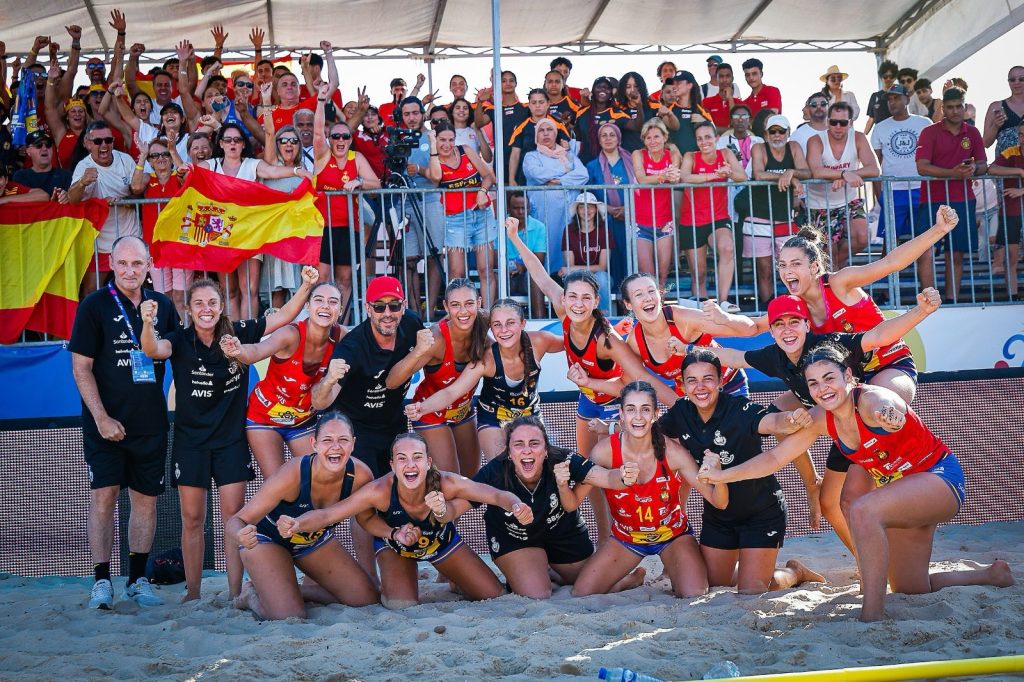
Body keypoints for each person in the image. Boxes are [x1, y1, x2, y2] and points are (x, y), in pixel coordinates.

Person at [698, 342, 1015, 622]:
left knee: (861, 509)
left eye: (829, 378)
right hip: (902, 497)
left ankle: (871, 617)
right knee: (911, 588)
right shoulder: (822, 418)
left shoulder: (870, 400)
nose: (822, 388)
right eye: (813, 383)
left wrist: (889, 415)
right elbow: (773, 459)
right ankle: (990, 575)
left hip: (939, 480)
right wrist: (723, 475)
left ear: (849, 376)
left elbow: (885, 406)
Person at [696, 289, 944, 554]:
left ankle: (890, 554)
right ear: (771, 331)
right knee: (830, 504)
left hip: (862, 422)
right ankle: (866, 561)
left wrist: (921, 311)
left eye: (794, 322)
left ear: (806, 324)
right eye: (779, 324)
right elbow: (733, 358)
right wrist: (687, 350)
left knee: (857, 500)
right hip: (837, 426)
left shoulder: (830, 344)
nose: (787, 329)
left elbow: (879, 336)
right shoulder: (776, 356)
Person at [140, 273, 316, 602]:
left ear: (222, 307)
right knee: (192, 519)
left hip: (230, 442)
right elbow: (154, 348)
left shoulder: (238, 333)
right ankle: (193, 594)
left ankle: (235, 593)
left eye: (212, 302)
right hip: (191, 442)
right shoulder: (179, 340)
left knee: (233, 517)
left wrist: (306, 286)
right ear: (189, 310)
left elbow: (284, 316)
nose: (206, 309)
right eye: (198, 304)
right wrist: (147, 323)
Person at [279, 432, 534, 608]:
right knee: (401, 606)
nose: (410, 465)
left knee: (494, 595)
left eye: (417, 458)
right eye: (402, 459)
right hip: (395, 547)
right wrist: (298, 524)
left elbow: (495, 494)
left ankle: (457, 580)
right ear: (392, 464)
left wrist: (516, 505)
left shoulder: (447, 482)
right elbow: (328, 515)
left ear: (428, 462)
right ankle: (295, 591)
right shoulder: (379, 490)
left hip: (439, 543)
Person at [68, 236, 180, 610]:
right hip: (105, 425)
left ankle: (137, 578)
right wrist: (100, 417)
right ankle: (101, 581)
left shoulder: (162, 306)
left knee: (145, 503)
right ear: (111, 264)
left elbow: (176, 355)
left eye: (137, 263)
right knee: (103, 497)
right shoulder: (94, 305)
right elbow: (80, 367)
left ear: (149, 264)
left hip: (150, 425)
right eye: (123, 263)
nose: (130, 271)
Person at [657, 350, 825, 593]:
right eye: (692, 380)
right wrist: (612, 426)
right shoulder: (681, 412)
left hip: (760, 513)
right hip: (719, 516)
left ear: (721, 381)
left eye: (708, 378)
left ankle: (794, 572)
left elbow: (772, 422)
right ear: (682, 385)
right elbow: (650, 437)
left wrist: (791, 419)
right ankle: (752, 570)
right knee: (716, 584)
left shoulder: (739, 408)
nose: (700, 387)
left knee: (753, 591)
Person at [310, 276, 425, 574]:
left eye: (394, 306)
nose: (388, 313)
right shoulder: (353, 346)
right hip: (357, 430)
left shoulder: (412, 325)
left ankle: (401, 560)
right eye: (380, 307)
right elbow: (320, 402)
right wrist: (330, 379)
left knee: (399, 496)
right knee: (363, 503)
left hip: (393, 424)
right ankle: (366, 574)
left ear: (403, 307)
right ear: (368, 309)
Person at [572, 381, 727, 598]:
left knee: (694, 593)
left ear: (655, 414)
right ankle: (629, 580)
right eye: (631, 409)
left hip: (672, 535)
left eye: (645, 409)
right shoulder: (604, 452)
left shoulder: (673, 453)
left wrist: (719, 476)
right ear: (621, 415)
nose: (638, 417)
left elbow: (718, 501)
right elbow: (573, 501)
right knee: (582, 593)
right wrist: (563, 478)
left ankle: (680, 571)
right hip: (627, 538)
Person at [471, 416, 645, 598]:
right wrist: (442, 503)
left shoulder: (563, 460)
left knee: (589, 584)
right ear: (509, 451)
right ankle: (536, 571)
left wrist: (623, 475)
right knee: (536, 594)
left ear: (546, 449)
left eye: (534, 443)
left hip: (561, 531)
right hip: (516, 537)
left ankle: (557, 573)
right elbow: (464, 494)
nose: (527, 450)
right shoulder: (495, 470)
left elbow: (605, 477)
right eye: (519, 444)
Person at [228, 412, 380, 619]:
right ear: (314, 444)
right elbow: (236, 520)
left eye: (342, 440)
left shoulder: (361, 474)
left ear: (353, 444)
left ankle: (289, 592)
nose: (335, 446)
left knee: (366, 598)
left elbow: (367, 521)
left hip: (311, 540)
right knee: (290, 616)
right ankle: (251, 596)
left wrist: (396, 531)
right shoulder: (294, 473)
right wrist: (241, 535)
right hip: (269, 539)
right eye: (327, 440)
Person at [405, 298, 563, 462]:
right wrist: (422, 408)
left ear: (522, 323)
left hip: (530, 414)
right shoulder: (486, 360)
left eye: (510, 323)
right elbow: (451, 392)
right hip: (494, 418)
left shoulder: (540, 342)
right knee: (504, 467)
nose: (504, 330)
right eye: (497, 325)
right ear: (491, 328)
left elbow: (572, 342)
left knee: (542, 465)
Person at [233, 280, 346, 478]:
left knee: (317, 481)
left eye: (333, 302)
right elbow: (256, 351)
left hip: (303, 420)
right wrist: (239, 350)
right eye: (319, 300)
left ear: (341, 309)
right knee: (280, 486)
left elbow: (368, 343)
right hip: (264, 418)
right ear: (308, 306)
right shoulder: (291, 334)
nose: (326, 306)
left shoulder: (342, 337)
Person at [200, 122, 312, 319]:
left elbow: (273, 172)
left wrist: (297, 171)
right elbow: (189, 171)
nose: (232, 143)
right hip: (221, 234)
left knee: (249, 289)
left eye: (237, 139)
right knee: (229, 290)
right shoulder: (212, 165)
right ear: (221, 143)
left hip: (250, 234)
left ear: (244, 144)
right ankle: (232, 337)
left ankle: (247, 335)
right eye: (227, 139)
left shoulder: (252, 164)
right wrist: (178, 158)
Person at [386, 279, 489, 476]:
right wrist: (418, 351)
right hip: (430, 410)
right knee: (451, 480)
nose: (463, 311)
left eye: (469, 303)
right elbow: (391, 382)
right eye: (455, 305)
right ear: (445, 307)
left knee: (470, 479)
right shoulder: (436, 339)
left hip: (462, 410)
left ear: (479, 302)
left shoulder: (484, 326)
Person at [619, 273, 752, 399]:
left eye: (651, 291)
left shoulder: (682, 318)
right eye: (639, 294)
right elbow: (627, 381)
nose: (648, 297)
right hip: (693, 397)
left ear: (660, 294)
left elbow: (747, 329)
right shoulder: (634, 342)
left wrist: (728, 318)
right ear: (628, 304)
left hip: (728, 386)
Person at [311, 86, 381, 320]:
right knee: (321, 279)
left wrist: (359, 181)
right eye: (336, 136)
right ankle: (319, 320)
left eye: (345, 136)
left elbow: (376, 183)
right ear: (330, 140)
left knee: (345, 279)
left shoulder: (356, 158)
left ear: (351, 139)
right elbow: (318, 132)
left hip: (349, 227)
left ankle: (340, 322)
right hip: (321, 228)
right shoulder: (323, 156)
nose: (340, 140)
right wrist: (321, 102)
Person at [915, 88, 988, 302]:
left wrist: (974, 168)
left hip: (962, 199)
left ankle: (952, 299)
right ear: (943, 108)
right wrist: (953, 174)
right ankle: (928, 302)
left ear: (965, 107)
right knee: (925, 251)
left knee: (956, 253)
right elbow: (922, 167)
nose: (955, 111)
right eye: (950, 107)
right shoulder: (929, 132)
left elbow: (984, 164)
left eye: (959, 106)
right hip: (931, 200)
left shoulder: (973, 133)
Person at [739, 114, 809, 306]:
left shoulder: (793, 147)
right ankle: (770, 309)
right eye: (773, 131)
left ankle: (794, 306)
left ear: (788, 133)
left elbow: (807, 171)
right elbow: (758, 174)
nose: (777, 135)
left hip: (784, 216)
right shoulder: (759, 148)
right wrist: (787, 177)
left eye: (781, 131)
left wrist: (791, 173)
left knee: (791, 267)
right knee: (764, 269)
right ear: (766, 134)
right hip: (758, 215)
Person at [426, 122, 498, 305]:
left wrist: (482, 191)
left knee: (486, 270)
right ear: (436, 140)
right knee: (456, 273)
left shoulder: (465, 150)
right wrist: (434, 148)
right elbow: (435, 178)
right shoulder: (435, 159)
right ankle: (459, 313)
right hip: (455, 219)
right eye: (442, 140)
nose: (447, 144)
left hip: (481, 215)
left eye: (451, 140)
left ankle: (488, 315)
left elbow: (489, 176)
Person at [679, 121, 747, 307]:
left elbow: (743, 176)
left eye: (708, 137)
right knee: (698, 273)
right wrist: (714, 176)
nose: (704, 142)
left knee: (727, 248)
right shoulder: (690, 156)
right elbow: (685, 177)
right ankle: (703, 313)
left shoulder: (725, 153)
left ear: (717, 138)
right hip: (691, 221)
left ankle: (723, 302)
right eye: (699, 138)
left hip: (717, 218)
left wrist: (729, 173)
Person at [805, 101, 880, 270]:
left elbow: (874, 169)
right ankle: (835, 275)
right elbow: (816, 171)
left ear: (851, 123)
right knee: (828, 252)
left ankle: (838, 265)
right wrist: (844, 173)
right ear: (827, 122)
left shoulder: (858, 138)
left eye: (843, 123)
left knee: (862, 238)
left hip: (848, 200)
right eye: (833, 122)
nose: (838, 127)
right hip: (820, 204)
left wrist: (847, 176)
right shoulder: (815, 140)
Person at [69, 121, 141, 294]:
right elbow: (72, 199)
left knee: (135, 287)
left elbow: (138, 194)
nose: (104, 145)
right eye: (98, 141)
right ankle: (93, 321)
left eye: (108, 140)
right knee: (92, 290)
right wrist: (82, 182)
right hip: (99, 241)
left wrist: (124, 201)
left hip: (130, 236)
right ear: (87, 143)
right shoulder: (83, 166)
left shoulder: (125, 160)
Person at [397, 95, 446, 318]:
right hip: (402, 202)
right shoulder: (396, 137)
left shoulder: (431, 137)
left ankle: (429, 310)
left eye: (415, 113)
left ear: (422, 113)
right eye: (406, 114)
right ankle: (414, 311)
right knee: (407, 258)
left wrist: (419, 169)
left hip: (430, 200)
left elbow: (437, 177)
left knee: (434, 255)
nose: (411, 118)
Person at [870, 84, 931, 258]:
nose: (892, 102)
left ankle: (922, 283)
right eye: (889, 99)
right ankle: (886, 281)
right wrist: (879, 195)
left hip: (921, 188)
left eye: (896, 97)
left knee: (922, 240)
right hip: (893, 190)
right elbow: (876, 165)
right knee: (889, 241)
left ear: (907, 99)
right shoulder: (880, 127)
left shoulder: (924, 123)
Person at [129, 138, 188, 317]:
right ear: (150, 161)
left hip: (180, 244)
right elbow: (136, 187)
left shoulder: (177, 176)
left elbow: (187, 178)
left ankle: (183, 334)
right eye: (155, 155)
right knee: (163, 296)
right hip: (155, 247)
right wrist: (142, 156)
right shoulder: (148, 178)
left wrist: (173, 151)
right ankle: (168, 335)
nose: (160, 158)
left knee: (180, 296)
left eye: (164, 154)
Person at [522, 117, 589, 274]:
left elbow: (583, 175)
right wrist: (566, 171)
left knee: (567, 246)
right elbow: (537, 174)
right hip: (543, 214)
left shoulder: (568, 155)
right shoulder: (531, 156)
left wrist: (558, 182)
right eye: (541, 131)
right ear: (536, 136)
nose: (546, 134)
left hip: (568, 213)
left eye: (550, 130)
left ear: (556, 133)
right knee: (546, 246)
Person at [258, 116, 307, 309]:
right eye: (283, 140)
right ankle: (274, 331)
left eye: (294, 141)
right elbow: (269, 132)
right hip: (275, 238)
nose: (288, 144)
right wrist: (267, 102)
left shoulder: (305, 172)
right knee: (276, 289)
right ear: (276, 144)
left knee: (296, 289)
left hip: (297, 239)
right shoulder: (270, 167)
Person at [631, 118, 681, 291]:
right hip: (641, 221)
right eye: (648, 137)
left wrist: (669, 175)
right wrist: (663, 176)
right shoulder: (639, 154)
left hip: (664, 220)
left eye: (657, 137)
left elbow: (675, 175)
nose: (653, 141)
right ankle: (651, 313)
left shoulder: (672, 155)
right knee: (648, 275)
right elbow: (642, 178)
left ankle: (662, 314)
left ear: (665, 138)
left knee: (662, 275)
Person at [586, 121, 635, 288]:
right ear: (599, 140)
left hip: (632, 219)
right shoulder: (592, 166)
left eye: (612, 135)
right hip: (606, 221)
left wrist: (628, 209)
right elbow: (588, 195)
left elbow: (640, 189)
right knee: (612, 260)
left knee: (632, 259)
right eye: (604, 135)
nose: (608, 139)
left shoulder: (632, 161)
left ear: (619, 139)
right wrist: (608, 209)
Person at [988, 118, 1024, 301]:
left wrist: (1021, 190)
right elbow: (992, 168)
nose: (1022, 138)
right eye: (1020, 134)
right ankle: (1013, 296)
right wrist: (1019, 172)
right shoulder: (1011, 152)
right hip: (1011, 213)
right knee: (1011, 258)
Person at [561, 191, 613, 313]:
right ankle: (576, 315)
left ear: (596, 210)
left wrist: (573, 269)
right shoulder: (569, 230)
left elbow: (602, 267)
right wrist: (572, 269)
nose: (586, 210)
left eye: (590, 206)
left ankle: (605, 317)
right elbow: (570, 265)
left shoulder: (604, 230)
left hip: (598, 276)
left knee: (602, 278)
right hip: (577, 275)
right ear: (577, 211)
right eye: (582, 207)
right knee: (570, 277)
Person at [507, 88, 571, 186]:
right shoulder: (521, 126)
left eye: (541, 102)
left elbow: (567, 149)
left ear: (548, 104)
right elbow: (515, 154)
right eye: (534, 102)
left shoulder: (558, 124)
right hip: (527, 175)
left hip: (553, 176)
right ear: (529, 105)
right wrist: (511, 179)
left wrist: (566, 146)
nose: (537, 106)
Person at [505, 191, 549, 317]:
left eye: (523, 208)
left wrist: (522, 267)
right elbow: (495, 257)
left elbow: (540, 258)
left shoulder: (539, 227)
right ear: (508, 208)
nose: (520, 212)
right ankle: (496, 321)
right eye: (516, 208)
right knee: (495, 276)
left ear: (529, 208)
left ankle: (539, 320)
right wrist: (507, 267)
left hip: (527, 275)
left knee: (535, 274)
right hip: (506, 275)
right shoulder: (500, 227)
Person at [616, 71, 678, 152]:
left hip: (651, 156)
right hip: (626, 157)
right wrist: (639, 105)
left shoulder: (653, 104)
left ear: (641, 87)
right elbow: (638, 127)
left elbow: (674, 126)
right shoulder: (618, 107)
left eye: (636, 86)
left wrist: (670, 114)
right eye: (628, 87)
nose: (632, 90)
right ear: (623, 89)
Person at [574, 77, 629, 164]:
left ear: (611, 93)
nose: (603, 89)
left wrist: (639, 105)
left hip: (610, 164)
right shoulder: (582, 112)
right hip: (585, 164)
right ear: (593, 91)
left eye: (607, 87)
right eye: (599, 86)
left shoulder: (617, 113)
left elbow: (635, 126)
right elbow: (577, 138)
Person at [13, 130, 72, 197]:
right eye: (39, 145)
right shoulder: (20, 177)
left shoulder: (66, 176)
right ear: (28, 151)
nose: (44, 149)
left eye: (48, 145)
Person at [983, 65, 1024, 155]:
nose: (1017, 82)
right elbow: (985, 143)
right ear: (1008, 82)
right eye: (1012, 79)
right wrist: (995, 126)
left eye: (1021, 79)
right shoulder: (996, 107)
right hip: (1005, 165)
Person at [864, 60, 899, 135]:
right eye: (885, 77)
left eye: (891, 76)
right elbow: (871, 119)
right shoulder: (874, 96)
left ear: (895, 77)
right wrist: (863, 136)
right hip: (880, 135)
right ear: (881, 77)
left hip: (897, 133)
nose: (888, 79)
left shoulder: (900, 95)